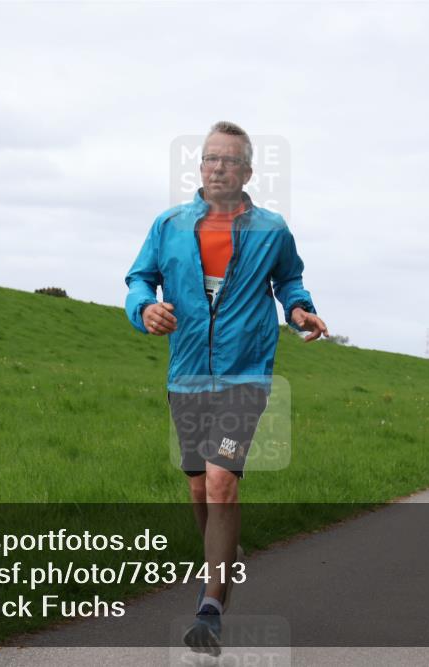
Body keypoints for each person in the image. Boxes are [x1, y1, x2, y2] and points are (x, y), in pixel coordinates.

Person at [124, 121, 327, 656]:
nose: (218, 167)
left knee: (220, 482)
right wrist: (144, 309)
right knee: (197, 487)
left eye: (229, 160)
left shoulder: (272, 230)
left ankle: (210, 608)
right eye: (210, 158)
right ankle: (222, 564)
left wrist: (301, 310)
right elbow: (139, 279)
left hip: (244, 373)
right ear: (200, 167)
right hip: (186, 373)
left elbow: (289, 282)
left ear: (248, 172)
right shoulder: (168, 224)